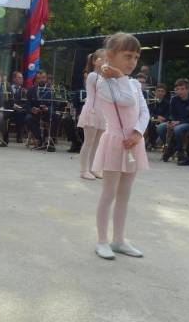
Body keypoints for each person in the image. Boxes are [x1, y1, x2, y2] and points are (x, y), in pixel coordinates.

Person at [92, 33, 149, 260]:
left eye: (136, 57)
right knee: (109, 193)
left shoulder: (134, 83)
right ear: (110, 55)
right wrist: (119, 77)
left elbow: (144, 111)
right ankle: (102, 240)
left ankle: (119, 239)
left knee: (125, 194)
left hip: (133, 143)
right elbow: (126, 100)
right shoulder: (103, 83)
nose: (132, 62)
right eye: (127, 56)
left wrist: (138, 132)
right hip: (114, 142)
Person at [77, 49, 106, 180]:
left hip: (102, 112)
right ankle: (84, 170)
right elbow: (101, 87)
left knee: (97, 143)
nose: (106, 62)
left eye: (108, 60)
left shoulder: (104, 77)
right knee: (89, 142)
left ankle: (93, 168)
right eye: (103, 59)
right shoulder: (93, 75)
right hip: (92, 111)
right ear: (95, 61)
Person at [25, 70, 60, 151]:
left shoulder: (51, 90)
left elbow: (55, 105)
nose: (41, 80)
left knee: (56, 116)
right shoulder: (31, 90)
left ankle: (49, 141)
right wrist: (32, 109)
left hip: (47, 113)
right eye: (39, 78)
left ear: (46, 79)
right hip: (36, 114)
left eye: (43, 78)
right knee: (28, 118)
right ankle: (40, 140)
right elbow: (27, 105)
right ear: (36, 79)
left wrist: (47, 108)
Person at [164, 78, 189, 165]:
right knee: (161, 128)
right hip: (176, 122)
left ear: (188, 89)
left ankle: (179, 152)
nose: (179, 91)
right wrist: (171, 122)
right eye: (177, 89)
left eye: (182, 89)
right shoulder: (174, 99)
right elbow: (171, 114)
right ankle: (172, 148)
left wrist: (179, 122)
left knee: (178, 129)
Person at [9, 71, 27, 143]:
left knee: (21, 113)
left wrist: (19, 107)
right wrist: (12, 105)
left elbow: (25, 103)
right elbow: (5, 100)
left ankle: (19, 136)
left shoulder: (24, 91)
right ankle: (5, 135)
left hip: (19, 111)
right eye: (19, 78)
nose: (21, 79)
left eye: (22, 78)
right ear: (14, 79)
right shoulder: (8, 88)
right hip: (9, 108)